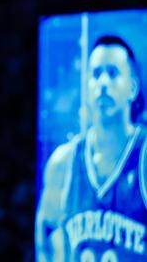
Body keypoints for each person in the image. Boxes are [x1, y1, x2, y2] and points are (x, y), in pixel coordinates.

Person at [35, 35, 147, 262]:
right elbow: (44, 243)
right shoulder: (63, 162)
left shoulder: (143, 155)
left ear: (132, 88)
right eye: (96, 74)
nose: (103, 82)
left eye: (113, 73)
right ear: (87, 87)